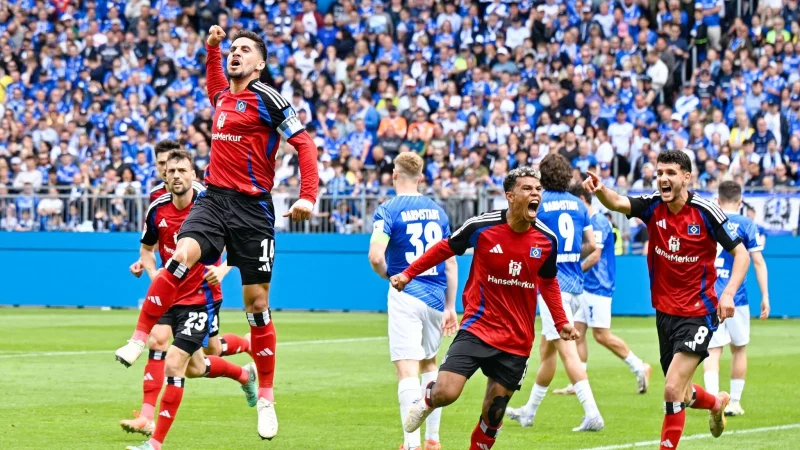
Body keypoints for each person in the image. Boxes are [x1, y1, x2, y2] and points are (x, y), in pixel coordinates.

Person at [115, 26, 320, 441]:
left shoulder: (270, 99)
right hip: (214, 200)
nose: (235, 54)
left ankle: (265, 395)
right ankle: (139, 339)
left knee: (257, 303)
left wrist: (308, 197)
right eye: (233, 50)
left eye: (244, 50)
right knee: (180, 255)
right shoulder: (223, 96)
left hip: (253, 210)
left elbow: (305, 145)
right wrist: (211, 47)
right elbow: (213, 78)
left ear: (260, 63)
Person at [390, 166, 579, 450]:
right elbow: (445, 248)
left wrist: (561, 320)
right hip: (478, 328)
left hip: (516, 339)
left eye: (538, 189)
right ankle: (427, 397)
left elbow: (549, 281)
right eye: (527, 188)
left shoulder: (547, 239)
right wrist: (408, 273)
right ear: (510, 196)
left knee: (493, 414)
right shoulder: (482, 226)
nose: (535, 193)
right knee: (446, 392)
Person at [583, 150, 750, 450]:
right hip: (665, 314)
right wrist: (601, 190)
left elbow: (742, 254)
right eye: (660, 172)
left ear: (686, 177)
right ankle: (716, 402)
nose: (663, 178)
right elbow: (619, 203)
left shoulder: (706, 211)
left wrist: (727, 293)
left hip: (699, 313)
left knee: (671, 389)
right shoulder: (652, 206)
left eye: (671, 173)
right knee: (682, 394)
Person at [124, 151, 258, 450]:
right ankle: (242, 374)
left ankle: (155, 442)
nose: (174, 175)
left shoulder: (210, 203)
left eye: (181, 170)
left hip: (201, 297)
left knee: (195, 357)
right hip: (170, 296)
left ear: (193, 174)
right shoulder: (157, 208)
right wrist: (153, 274)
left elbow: (239, 243)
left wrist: (222, 270)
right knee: (176, 355)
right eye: (169, 170)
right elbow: (147, 249)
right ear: (163, 175)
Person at [506, 154, 604, 432]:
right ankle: (529, 411)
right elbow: (591, 244)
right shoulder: (578, 205)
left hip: (553, 288)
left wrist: (552, 255)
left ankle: (592, 413)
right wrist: (571, 255)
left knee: (566, 352)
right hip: (575, 285)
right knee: (547, 351)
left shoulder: (540, 203)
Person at [368, 152, 458, 450]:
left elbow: (376, 256)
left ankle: (411, 444)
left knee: (407, 370)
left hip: (406, 292)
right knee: (430, 363)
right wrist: (450, 306)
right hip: (435, 296)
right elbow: (451, 263)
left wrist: (389, 276)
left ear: (394, 175)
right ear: (421, 178)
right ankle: (433, 439)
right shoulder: (438, 211)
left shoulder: (388, 209)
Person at [550, 183, 651, 395]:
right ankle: (579, 381)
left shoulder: (598, 221)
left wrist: (574, 272)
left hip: (598, 286)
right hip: (585, 285)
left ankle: (639, 366)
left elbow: (595, 255)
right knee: (578, 332)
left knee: (602, 335)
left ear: (582, 200)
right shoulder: (585, 220)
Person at [703, 181, 770, 416]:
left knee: (713, 349)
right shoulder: (746, 224)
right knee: (739, 349)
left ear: (718, 200)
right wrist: (765, 296)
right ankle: (734, 403)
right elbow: (758, 261)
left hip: (711, 295)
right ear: (740, 202)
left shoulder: (709, 219)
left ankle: (713, 401)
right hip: (737, 296)